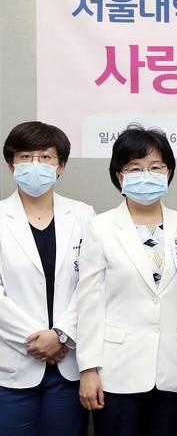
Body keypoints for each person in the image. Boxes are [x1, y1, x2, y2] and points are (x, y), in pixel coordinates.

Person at [76, 124, 177, 436]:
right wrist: (88, 368)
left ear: (168, 172)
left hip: (176, 366)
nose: (146, 174)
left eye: (155, 167)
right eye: (135, 168)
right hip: (117, 369)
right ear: (119, 176)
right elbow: (89, 303)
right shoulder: (100, 227)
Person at [0, 121, 94, 436]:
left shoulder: (83, 215)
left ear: (61, 165)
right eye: (25, 157)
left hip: (68, 364)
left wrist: (61, 335)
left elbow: (92, 285)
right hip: (12, 364)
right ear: (12, 163)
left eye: (45, 157)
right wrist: (38, 339)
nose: (35, 165)